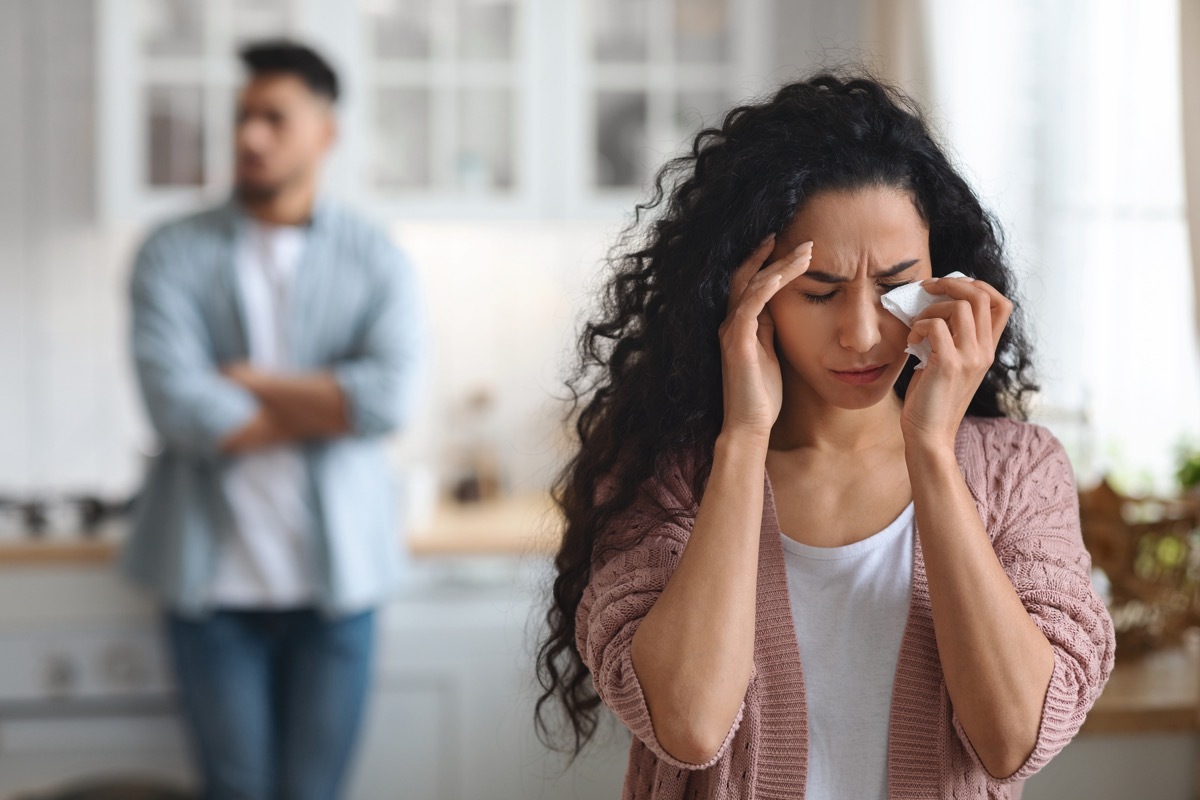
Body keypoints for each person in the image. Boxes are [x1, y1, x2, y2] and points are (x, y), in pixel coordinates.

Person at [536, 73, 1115, 799]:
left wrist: (932, 451)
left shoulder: (1019, 473)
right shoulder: (664, 475)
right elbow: (688, 726)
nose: (864, 334)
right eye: (819, 292)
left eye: (896, 286)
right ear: (744, 289)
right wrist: (744, 437)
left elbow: (1010, 739)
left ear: (947, 280)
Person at [122, 40, 425, 800]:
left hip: (339, 588)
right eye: (241, 117)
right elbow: (180, 409)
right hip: (209, 591)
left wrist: (252, 383)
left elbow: (388, 401)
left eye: (273, 118)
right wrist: (331, 405)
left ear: (325, 132)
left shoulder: (375, 256)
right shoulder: (170, 251)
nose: (249, 136)